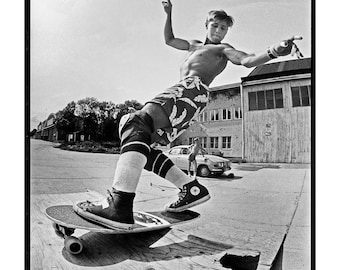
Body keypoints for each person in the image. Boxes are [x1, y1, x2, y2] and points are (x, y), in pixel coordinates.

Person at [74, 0, 303, 229]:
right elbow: (170, 40)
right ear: (207, 25)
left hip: (192, 90)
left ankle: (119, 205)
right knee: (144, 145)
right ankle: (190, 188)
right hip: (188, 94)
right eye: (215, 26)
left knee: (135, 122)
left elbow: (247, 60)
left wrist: (275, 50)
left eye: (223, 28)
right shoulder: (194, 45)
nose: (218, 31)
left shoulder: (222, 49)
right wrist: (169, 12)